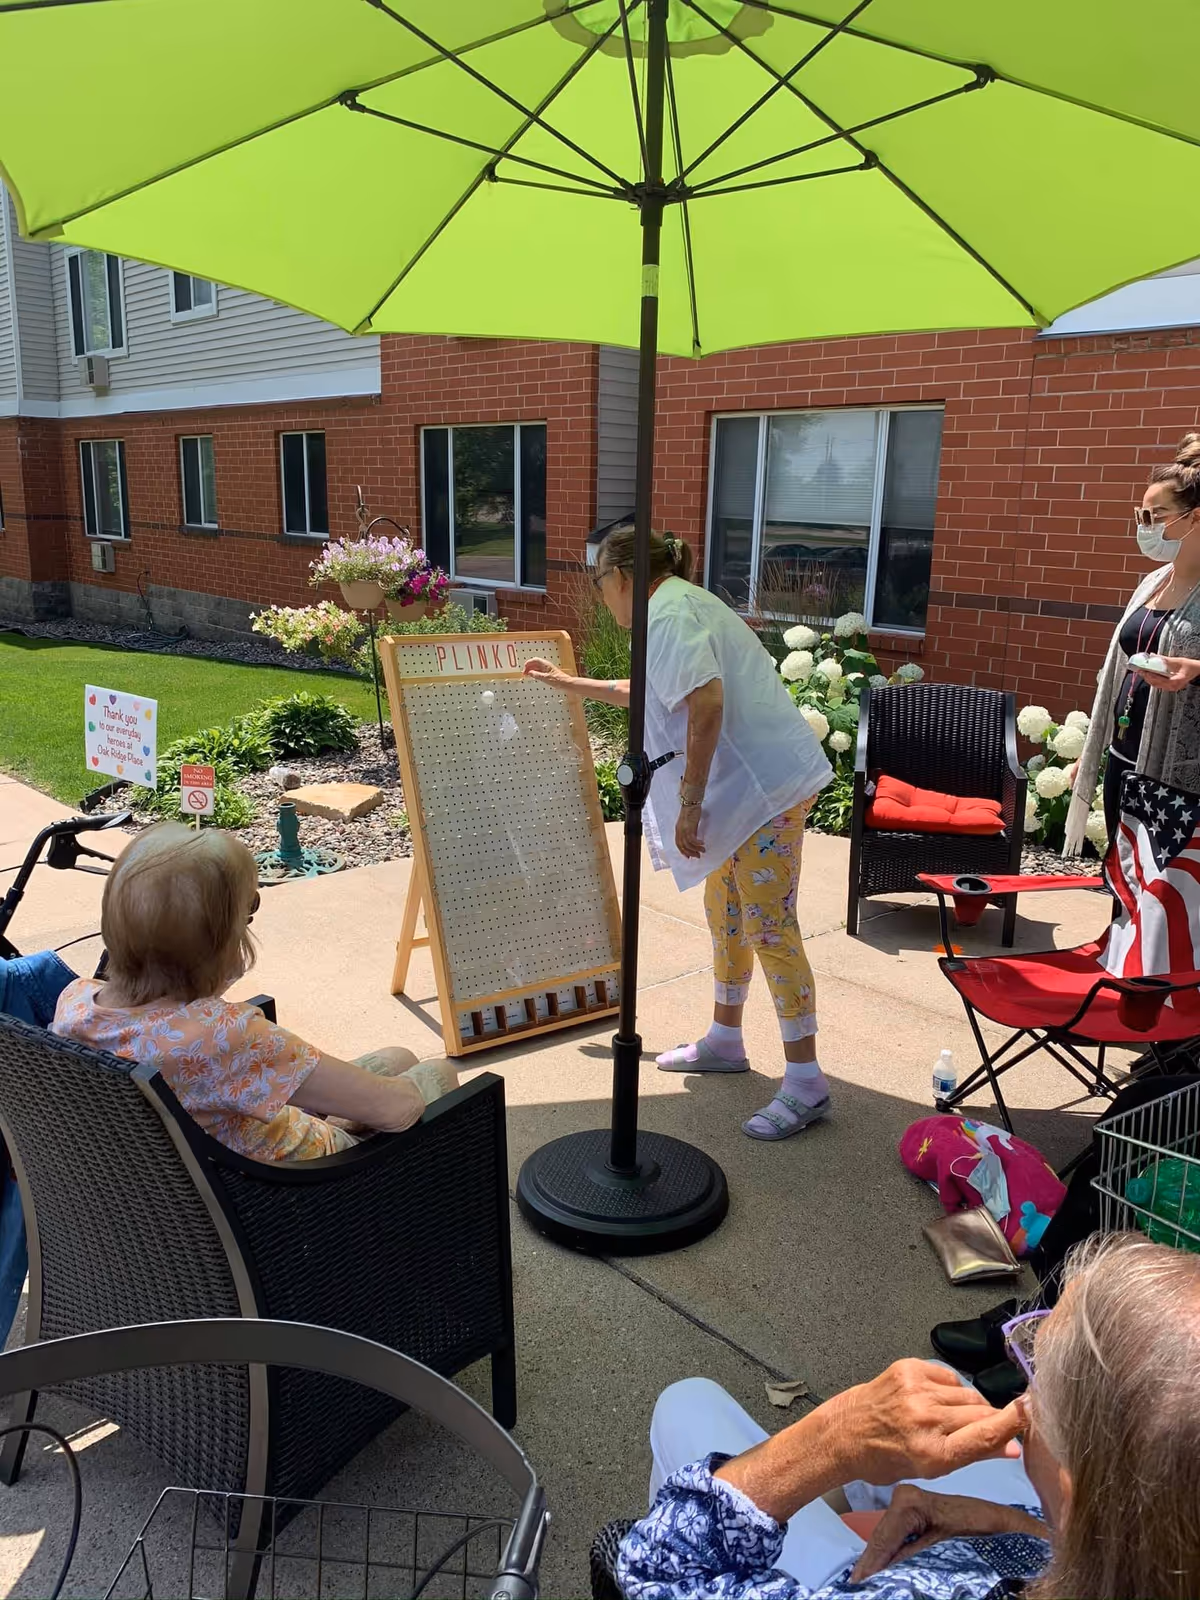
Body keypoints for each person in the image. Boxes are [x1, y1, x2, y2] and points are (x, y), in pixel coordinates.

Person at [619, 1234, 1200, 1600]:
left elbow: (655, 1572)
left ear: (1083, 1491)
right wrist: (1030, 1530)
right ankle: (832, 1516)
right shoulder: (1155, 1551)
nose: (1022, 1397)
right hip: (1044, 1548)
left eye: (1039, 1369)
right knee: (934, 1378)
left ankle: (805, 1533)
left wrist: (830, 1441)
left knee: (687, 1402)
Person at [523, 527, 831, 1141]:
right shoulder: (676, 606)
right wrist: (567, 684)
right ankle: (724, 1037)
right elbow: (653, 695)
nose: (601, 596)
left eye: (598, 582)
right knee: (728, 917)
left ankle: (806, 1082)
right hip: (747, 794)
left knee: (769, 928)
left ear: (621, 578)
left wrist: (688, 803)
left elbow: (707, 703)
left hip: (761, 794)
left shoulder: (667, 612)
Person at [51, 822, 457, 1161]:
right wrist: (367, 1107)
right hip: (304, 1190)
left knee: (398, 1057)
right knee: (435, 1074)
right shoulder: (223, 1034)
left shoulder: (75, 1004)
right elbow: (398, 1112)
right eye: (249, 909)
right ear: (217, 942)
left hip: (197, 1166)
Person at [1065, 432, 1200, 853]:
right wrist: (1092, 751)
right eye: (1142, 515)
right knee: (1124, 885)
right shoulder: (1152, 582)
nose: (1146, 526)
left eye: (1157, 515)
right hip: (1125, 762)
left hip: (1176, 775)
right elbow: (1117, 671)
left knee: (1165, 902)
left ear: (1194, 517)